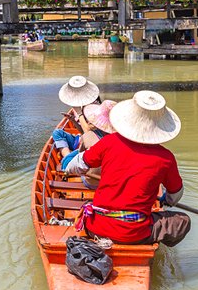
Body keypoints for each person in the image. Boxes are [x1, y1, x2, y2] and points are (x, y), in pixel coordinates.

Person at [67, 91, 191, 247]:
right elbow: (175, 195)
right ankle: (151, 242)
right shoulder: (166, 158)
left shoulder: (109, 142)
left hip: (96, 228)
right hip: (134, 234)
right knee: (183, 221)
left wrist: (72, 169)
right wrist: (165, 199)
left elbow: (74, 166)